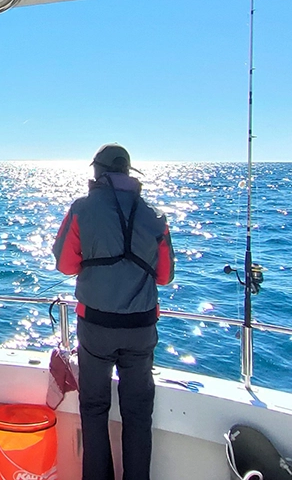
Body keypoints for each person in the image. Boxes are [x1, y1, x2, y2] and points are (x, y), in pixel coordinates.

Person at [52, 144, 175, 480]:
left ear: (99, 173)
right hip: (141, 328)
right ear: (127, 173)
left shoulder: (81, 209)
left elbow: (64, 264)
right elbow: (165, 276)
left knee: (94, 409)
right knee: (138, 414)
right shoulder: (155, 216)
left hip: (96, 327)